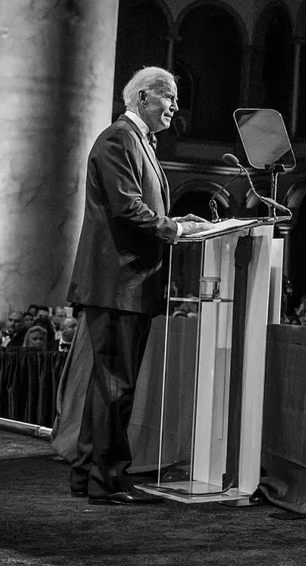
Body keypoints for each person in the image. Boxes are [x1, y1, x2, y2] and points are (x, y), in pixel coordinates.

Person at [67, 67, 212, 505]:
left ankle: (88, 474)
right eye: (169, 98)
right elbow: (126, 206)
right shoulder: (118, 139)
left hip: (127, 284)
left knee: (108, 383)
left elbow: (139, 205)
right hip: (118, 284)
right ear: (144, 97)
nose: (174, 108)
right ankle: (108, 480)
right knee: (116, 385)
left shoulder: (136, 141)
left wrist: (176, 221)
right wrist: (172, 231)